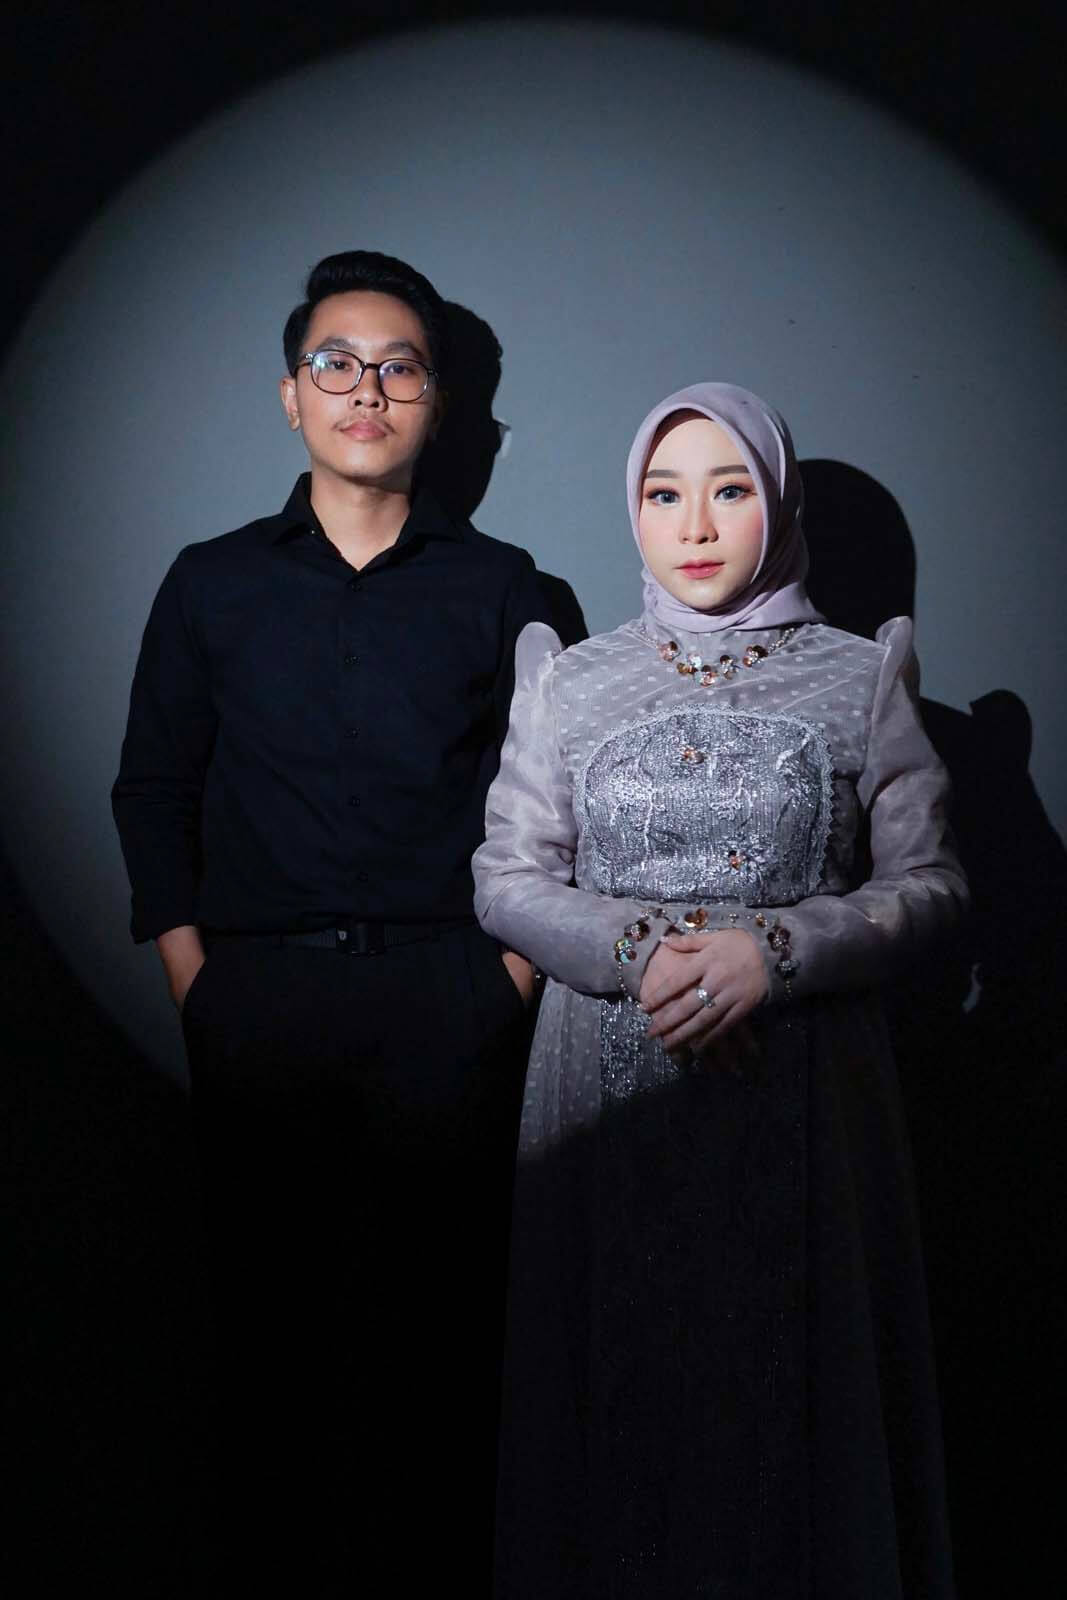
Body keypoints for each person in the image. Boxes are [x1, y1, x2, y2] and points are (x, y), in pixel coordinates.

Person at [473, 383, 967, 1599]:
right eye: (663, 494)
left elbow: (931, 884)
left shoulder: (860, 675)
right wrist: (641, 948)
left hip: (801, 1096)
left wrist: (776, 952)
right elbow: (505, 874)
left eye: (728, 489)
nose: (692, 525)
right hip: (604, 1092)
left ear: (776, 505)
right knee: (614, 1404)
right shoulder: (570, 679)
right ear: (633, 511)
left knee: (787, 1412)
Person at [112, 250, 545, 1592]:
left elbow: (548, 806)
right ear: (291, 395)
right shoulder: (211, 583)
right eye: (336, 363)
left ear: (440, 405)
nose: (367, 389)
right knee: (262, 1355)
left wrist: (507, 981)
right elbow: (152, 788)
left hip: (450, 1008)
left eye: (399, 367)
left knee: (445, 1358)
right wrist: (197, 980)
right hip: (259, 1006)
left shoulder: (504, 587)